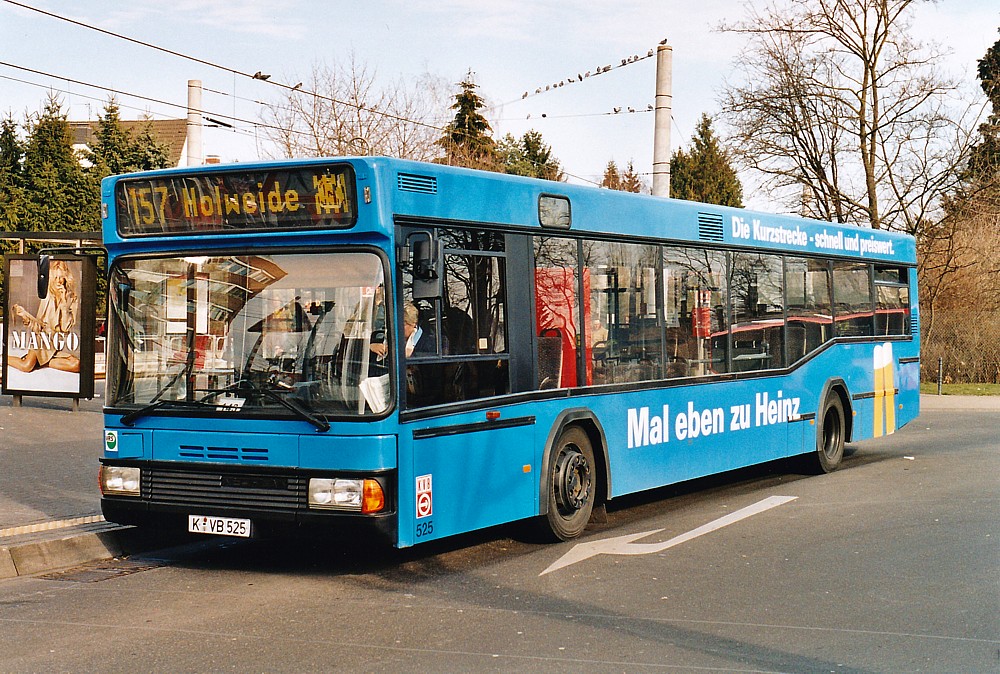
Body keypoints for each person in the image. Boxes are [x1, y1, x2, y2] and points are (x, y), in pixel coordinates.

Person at [7, 259, 81, 374]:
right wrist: (25, 316)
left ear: (66, 277)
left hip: (58, 342)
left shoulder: (73, 298)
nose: (59, 281)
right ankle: (3, 357)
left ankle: (43, 362)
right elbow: (38, 326)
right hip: (42, 339)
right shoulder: (47, 297)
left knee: (76, 365)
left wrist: (64, 306)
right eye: (55, 277)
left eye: (61, 277)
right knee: (26, 366)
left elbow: (66, 328)